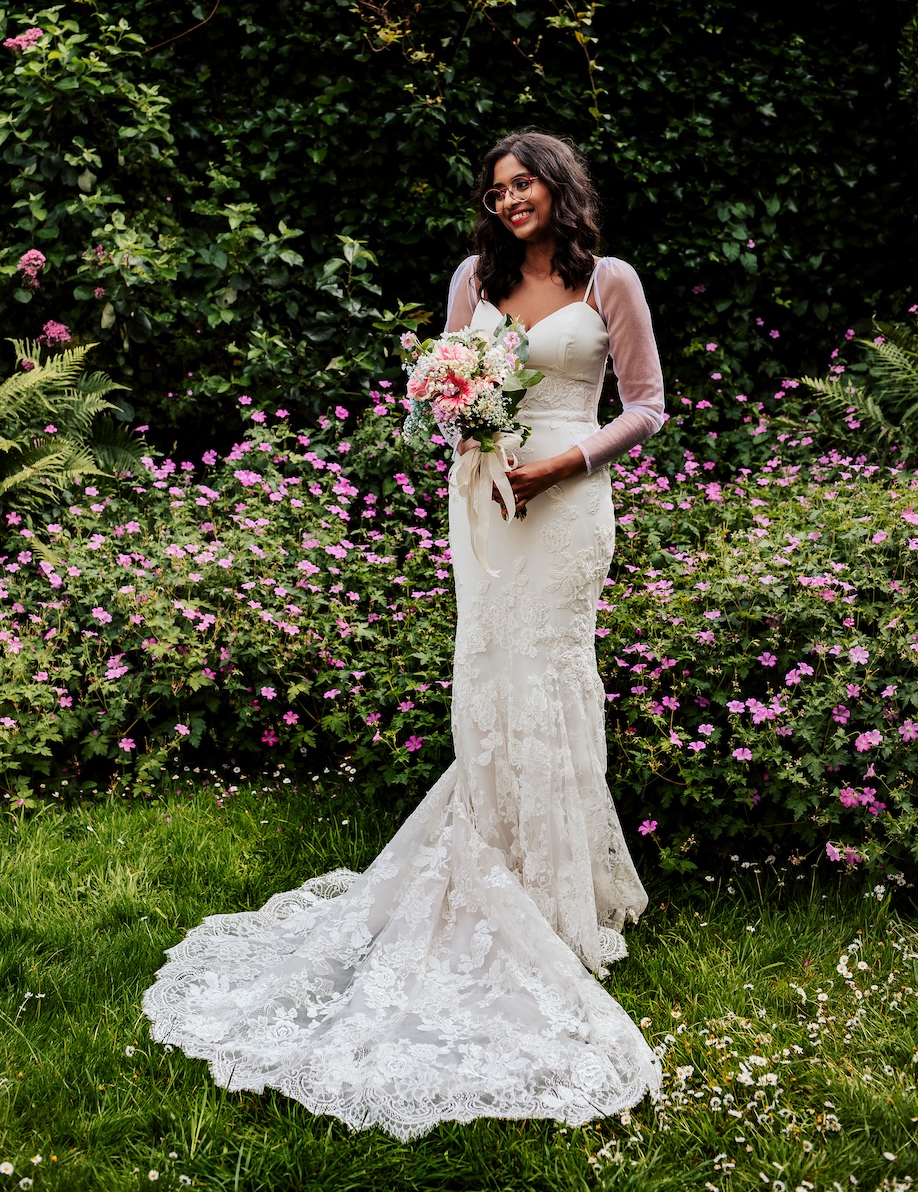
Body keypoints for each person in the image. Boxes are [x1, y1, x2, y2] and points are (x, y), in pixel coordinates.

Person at [142, 129, 666, 1140]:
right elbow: (443, 385)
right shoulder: (476, 275)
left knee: (552, 669)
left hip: (566, 495)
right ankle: (495, 851)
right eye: (499, 187)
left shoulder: (610, 281)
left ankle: (565, 890)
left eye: (527, 184)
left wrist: (567, 463)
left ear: (561, 189)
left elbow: (646, 404)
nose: (511, 199)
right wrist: (459, 419)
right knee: (488, 669)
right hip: (485, 502)